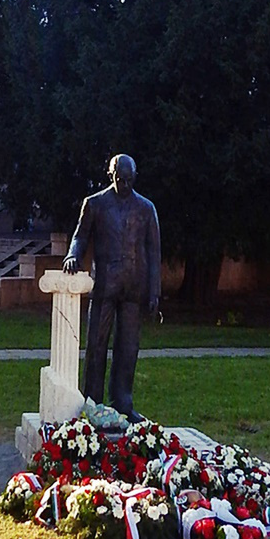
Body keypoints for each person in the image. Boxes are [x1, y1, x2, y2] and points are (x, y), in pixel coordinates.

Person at [63, 153, 160, 419]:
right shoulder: (95, 204)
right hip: (105, 285)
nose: (125, 185)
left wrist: (154, 292)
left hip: (133, 287)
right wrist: (73, 255)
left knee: (128, 347)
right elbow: (79, 237)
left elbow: (154, 253)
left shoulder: (146, 208)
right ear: (111, 175)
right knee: (96, 344)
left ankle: (123, 401)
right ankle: (92, 402)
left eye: (129, 180)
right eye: (120, 179)